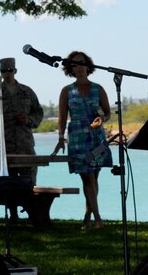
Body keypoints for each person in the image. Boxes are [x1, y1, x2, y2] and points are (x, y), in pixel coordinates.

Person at [0, 57, 44, 221]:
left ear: (15, 71)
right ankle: (12, 213)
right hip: (4, 145)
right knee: (7, 181)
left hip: (25, 144)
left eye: (9, 70)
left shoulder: (27, 91)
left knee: (28, 180)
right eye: (3, 71)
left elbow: (38, 112)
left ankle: (31, 212)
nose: (7, 74)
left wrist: (28, 120)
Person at [52, 50, 112, 229]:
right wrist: (60, 137)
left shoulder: (98, 88)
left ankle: (88, 215)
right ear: (70, 68)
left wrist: (102, 119)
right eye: (75, 64)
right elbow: (62, 117)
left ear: (88, 66)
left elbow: (108, 113)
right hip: (77, 138)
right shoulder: (66, 91)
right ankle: (98, 219)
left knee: (95, 176)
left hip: (97, 138)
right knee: (87, 178)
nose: (79, 67)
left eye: (82, 63)